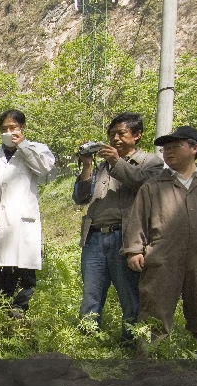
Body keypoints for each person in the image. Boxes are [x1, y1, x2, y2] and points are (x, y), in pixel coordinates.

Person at [123, 126, 197, 353]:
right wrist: (133, 250)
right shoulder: (153, 186)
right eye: (165, 148)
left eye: (175, 146)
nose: (168, 151)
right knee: (154, 313)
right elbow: (137, 219)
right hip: (162, 259)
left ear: (194, 148)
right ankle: (151, 365)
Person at [73, 112, 163, 339]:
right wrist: (86, 166)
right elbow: (80, 198)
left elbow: (145, 185)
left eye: (121, 133)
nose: (115, 139)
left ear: (137, 134)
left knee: (130, 295)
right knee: (91, 294)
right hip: (93, 237)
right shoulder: (102, 166)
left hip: (126, 236)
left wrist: (116, 161)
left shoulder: (150, 162)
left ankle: (130, 345)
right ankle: (87, 342)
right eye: (111, 134)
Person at [0, 109, 57, 315]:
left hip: (23, 225)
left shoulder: (36, 149)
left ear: (22, 128)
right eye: (4, 129)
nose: (8, 132)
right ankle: (1, 317)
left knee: (24, 274)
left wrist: (23, 145)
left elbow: (45, 170)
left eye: (13, 128)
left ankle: (22, 316)